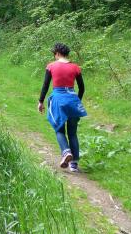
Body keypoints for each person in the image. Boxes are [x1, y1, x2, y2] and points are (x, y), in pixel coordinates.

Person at [37, 42, 87, 172]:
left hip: (58, 100)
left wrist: (41, 101)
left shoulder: (51, 66)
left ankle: (66, 152)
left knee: (59, 129)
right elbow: (82, 88)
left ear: (58, 53)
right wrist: (77, 101)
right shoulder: (75, 67)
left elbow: (45, 85)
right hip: (73, 100)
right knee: (73, 133)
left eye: (54, 54)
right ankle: (74, 164)